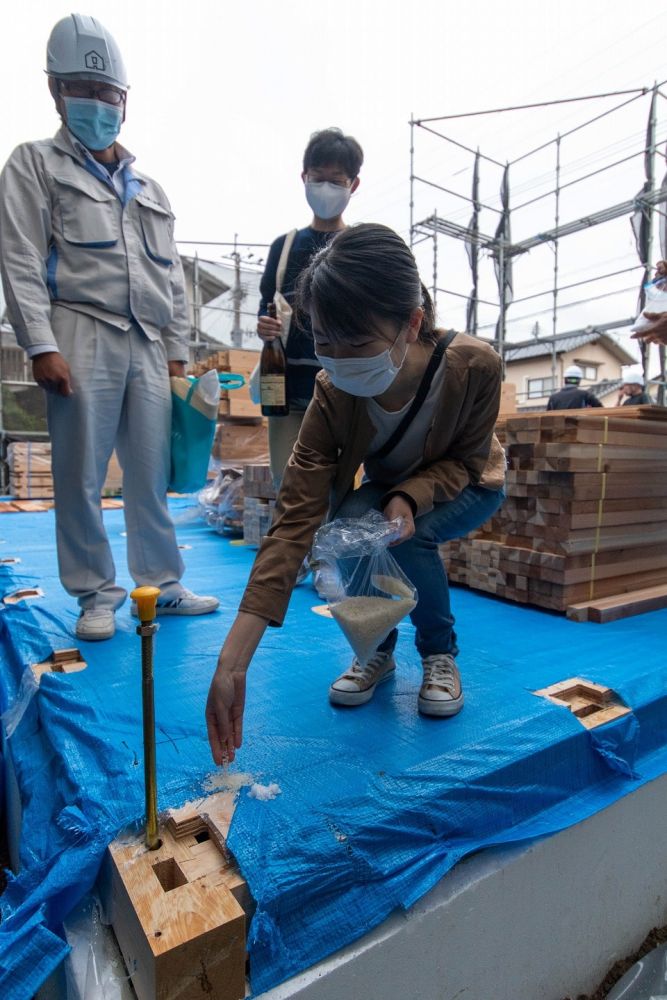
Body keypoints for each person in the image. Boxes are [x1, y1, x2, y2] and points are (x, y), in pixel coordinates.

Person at [206, 224, 506, 765]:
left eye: (358, 344)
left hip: (469, 483)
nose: (339, 361)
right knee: (348, 522)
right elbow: (295, 514)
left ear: (411, 322)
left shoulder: (474, 366)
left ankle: (439, 654)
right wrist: (232, 661)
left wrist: (411, 497)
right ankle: (377, 651)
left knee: (408, 541)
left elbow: (466, 460)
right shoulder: (331, 391)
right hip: (391, 488)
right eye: (324, 343)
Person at [0, 14, 219, 642]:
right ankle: (96, 593)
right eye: (81, 90)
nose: (97, 104)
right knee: (80, 474)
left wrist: (177, 353)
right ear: (54, 90)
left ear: (125, 101)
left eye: (107, 95)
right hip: (78, 329)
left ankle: (164, 584)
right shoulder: (33, 164)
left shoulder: (149, 186)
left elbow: (172, 278)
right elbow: (18, 256)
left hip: (149, 342)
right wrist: (40, 344)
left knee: (151, 472)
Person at [257, 128, 363, 487]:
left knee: (337, 489)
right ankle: (295, 546)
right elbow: (266, 307)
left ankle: (330, 546)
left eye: (337, 181)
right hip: (286, 390)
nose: (327, 188)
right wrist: (265, 326)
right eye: (319, 179)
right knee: (288, 487)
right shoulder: (284, 247)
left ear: (354, 185)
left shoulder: (358, 248)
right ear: (304, 178)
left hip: (342, 391)